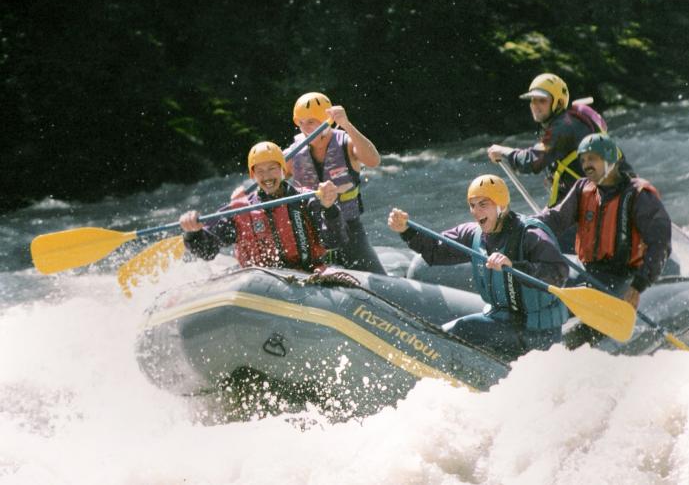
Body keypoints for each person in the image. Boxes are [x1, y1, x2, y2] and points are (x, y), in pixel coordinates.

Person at [387, 175, 569, 361]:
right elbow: (435, 250)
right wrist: (406, 231)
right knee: (451, 333)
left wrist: (515, 266)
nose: (475, 211)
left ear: (502, 206)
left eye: (483, 204)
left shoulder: (531, 234)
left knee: (463, 329)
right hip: (502, 321)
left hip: (537, 334)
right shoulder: (474, 234)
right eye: (472, 205)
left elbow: (558, 272)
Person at [535, 133, 672, 312]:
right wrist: (525, 225)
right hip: (586, 270)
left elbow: (660, 243)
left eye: (592, 159)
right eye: (583, 160)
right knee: (539, 286)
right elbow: (556, 219)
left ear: (610, 160)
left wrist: (638, 285)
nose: (586, 165)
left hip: (620, 278)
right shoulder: (583, 188)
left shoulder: (639, 195)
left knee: (558, 306)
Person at [179, 141, 346, 271]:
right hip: (259, 282)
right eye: (260, 171)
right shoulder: (239, 210)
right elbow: (208, 251)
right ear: (253, 175)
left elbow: (334, 241)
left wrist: (329, 208)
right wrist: (193, 233)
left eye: (272, 168)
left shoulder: (307, 199)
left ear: (282, 170)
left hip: (308, 274)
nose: (267, 176)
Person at [285, 91, 387, 275]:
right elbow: (269, 181)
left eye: (312, 122)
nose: (306, 128)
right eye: (302, 123)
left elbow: (373, 161)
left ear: (327, 121)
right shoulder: (294, 154)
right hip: (312, 232)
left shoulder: (345, 143)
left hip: (350, 229)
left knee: (377, 277)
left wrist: (346, 124)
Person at [487, 73, 607, 209]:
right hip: (586, 200)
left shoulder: (565, 127)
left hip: (592, 207)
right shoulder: (570, 122)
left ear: (559, 102)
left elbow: (532, 161)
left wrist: (503, 152)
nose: (535, 105)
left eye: (542, 100)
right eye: (533, 100)